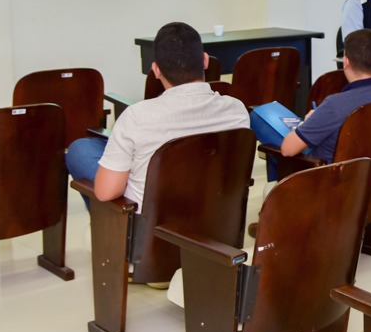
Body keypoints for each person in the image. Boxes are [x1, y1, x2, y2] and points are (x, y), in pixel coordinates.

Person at [65, 22, 250, 209]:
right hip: (214, 220)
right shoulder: (237, 111)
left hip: (150, 231)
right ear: (205, 60)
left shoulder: (137, 117)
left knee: (79, 150)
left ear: (156, 70)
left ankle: (105, 228)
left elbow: (106, 193)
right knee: (88, 147)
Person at [275, 28, 371, 161]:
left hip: (329, 177)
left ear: (346, 61)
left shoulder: (335, 105)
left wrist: (307, 123)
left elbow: (288, 150)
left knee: (264, 116)